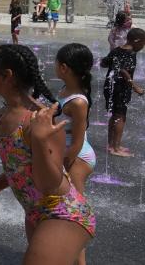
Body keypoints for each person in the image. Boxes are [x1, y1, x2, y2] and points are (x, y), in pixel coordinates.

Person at [0, 44, 94, 264]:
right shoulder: (6, 113)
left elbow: (50, 182)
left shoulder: (40, 120)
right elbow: (19, 164)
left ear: (7, 75)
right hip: (36, 211)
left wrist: (39, 139)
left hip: (63, 212)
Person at [54, 44, 96, 192]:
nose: (55, 66)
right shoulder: (64, 89)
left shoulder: (78, 102)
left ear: (64, 68)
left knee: (76, 203)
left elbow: (77, 142)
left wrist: (61, 167)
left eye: (56, 63)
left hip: (77, 156)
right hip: (64, 152)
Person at [101, 28, 145, 156]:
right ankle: (116, 149)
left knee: (114, 115)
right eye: (143, 44)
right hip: (121, 87)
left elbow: (103, 63)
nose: (143, 47)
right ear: (137, 40)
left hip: (110, 85)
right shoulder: (131, 53)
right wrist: (135, 86)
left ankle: (111, 144)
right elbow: (124, 71)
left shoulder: (117, 50)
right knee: (121, 116)